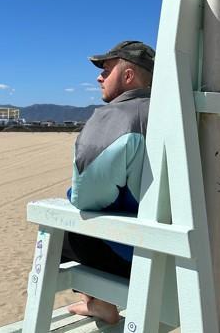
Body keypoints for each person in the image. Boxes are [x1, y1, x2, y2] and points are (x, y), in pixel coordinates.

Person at [63, 40, 155, 324]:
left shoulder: (118, 116)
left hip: (143, 259)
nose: (99, 77)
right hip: (194, 256)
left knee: (71, 227)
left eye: (106, 69)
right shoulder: (180, 115)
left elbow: (86, 196)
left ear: (128, 77)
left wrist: (70, 193)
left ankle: (99, 302)